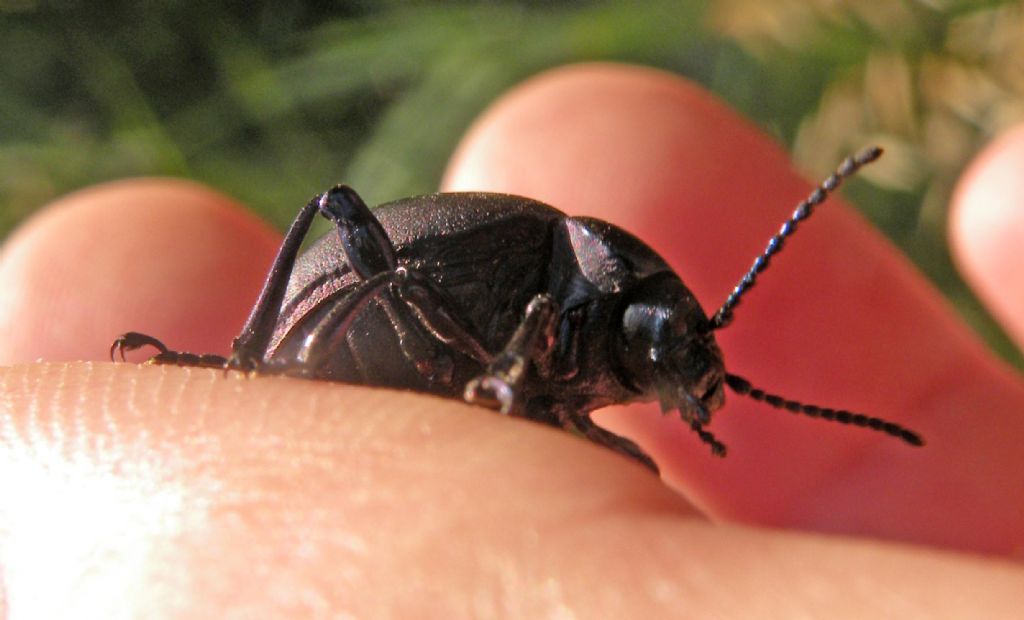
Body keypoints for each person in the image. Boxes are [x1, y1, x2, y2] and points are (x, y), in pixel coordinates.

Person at [1, 64, 1021, 616]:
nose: (687, 390)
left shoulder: (588, 332)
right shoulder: (552, 281)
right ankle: (237, 355)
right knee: (342, 211)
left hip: (424, 383)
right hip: (361, 323)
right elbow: (513, 334)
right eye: (679, 352)